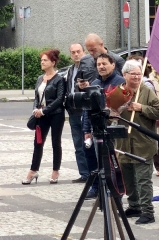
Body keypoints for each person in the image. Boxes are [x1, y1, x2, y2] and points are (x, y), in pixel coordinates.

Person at [113, 60, 159, 223]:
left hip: (143, 143)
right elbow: (109, 113)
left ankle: (148, 211)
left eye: (139, 74)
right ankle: (134, 205)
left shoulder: (146, 91)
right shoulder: (118, 92)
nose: (136, 77)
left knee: (143, 180)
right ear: (124, 75)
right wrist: (112, 114)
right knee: (128, 179)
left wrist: (141, 108)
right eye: (133, 74)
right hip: (124, 143)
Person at [82, 53, 126, 199]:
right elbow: (88, 109)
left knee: (114, 164)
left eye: (104, 64)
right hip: (97, 130)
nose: (101, 67)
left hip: (114, 129)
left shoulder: (121, 82)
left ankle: (116, 194)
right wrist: (86, 130)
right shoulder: (94, 83)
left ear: (113, 65)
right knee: (101, 163)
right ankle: (102, 191)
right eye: (99, 64)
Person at [23, 49, 66, 185]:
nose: (42, 62)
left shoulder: (59, 79)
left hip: (56, 114)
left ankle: (55, 171)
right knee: (38, 142)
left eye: (45, 60)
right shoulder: (39, 78)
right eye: (41, 60)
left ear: (53, 62)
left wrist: (44, 110)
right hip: (41, 115)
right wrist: (35, 109)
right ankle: (33, 171)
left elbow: (59, 99)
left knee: (55, 142)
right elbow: (37, 96)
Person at [63, 43, 97, 183]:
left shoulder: (89, 68)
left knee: (87, 143)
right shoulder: (70, 70)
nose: (76, 54)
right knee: (78, 144)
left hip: (85, 109)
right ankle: (84, 174)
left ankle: (92, 173)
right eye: (73, 52)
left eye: (78, 51)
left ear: (84, 52)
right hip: (73, 110)